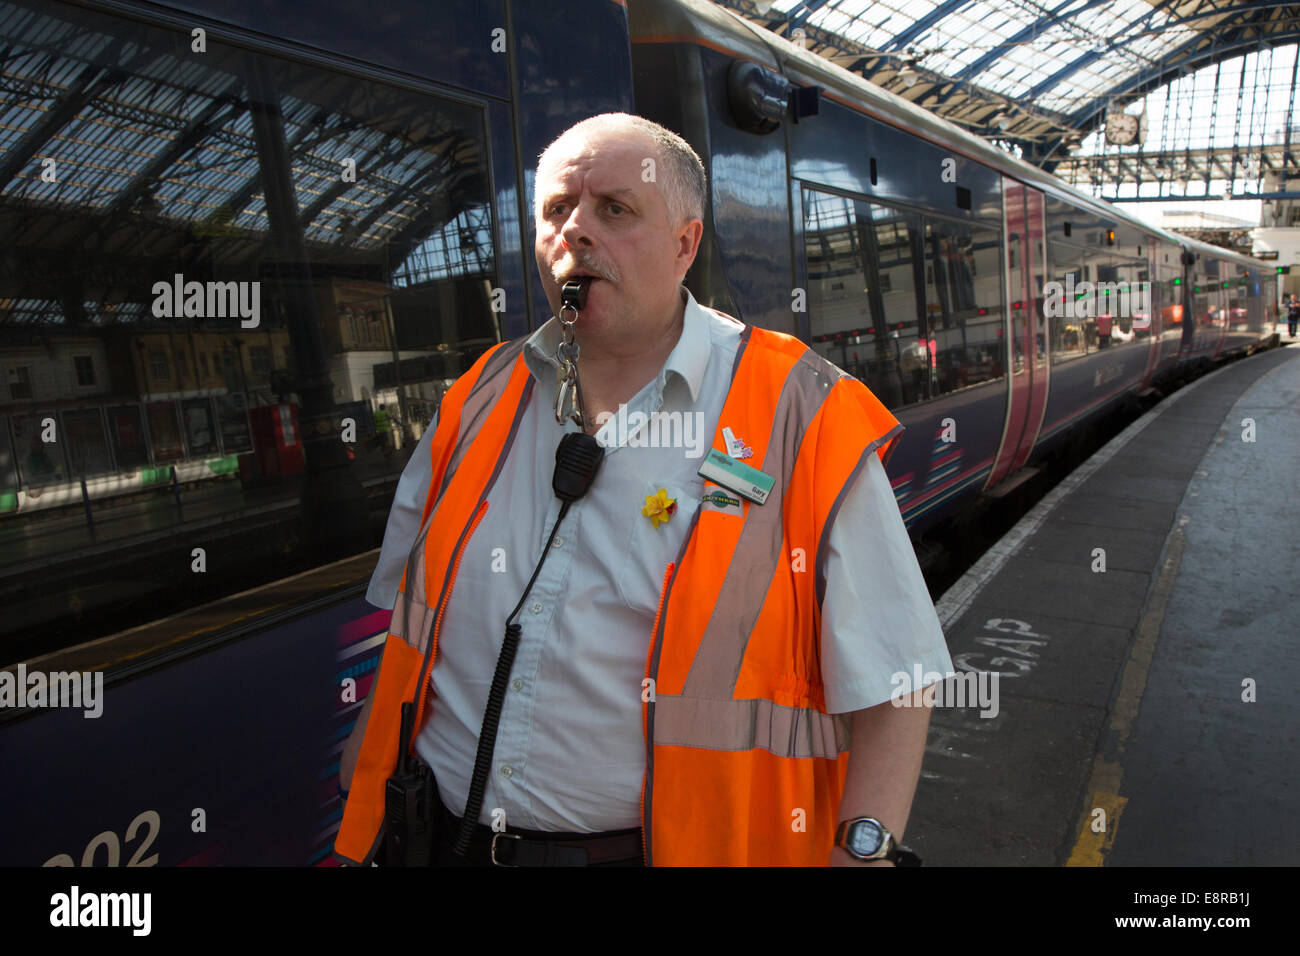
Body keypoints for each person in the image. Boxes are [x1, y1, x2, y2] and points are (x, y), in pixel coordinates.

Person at [335, 113, 953, 867]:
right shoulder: (476, 400)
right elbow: (409, 615)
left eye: (614, 210)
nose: (577, 232)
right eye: (557, 210)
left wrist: (865, 851)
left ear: (686, 244)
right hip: (441, 840)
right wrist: (368, 760)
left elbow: (897, 675)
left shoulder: (798, 411)